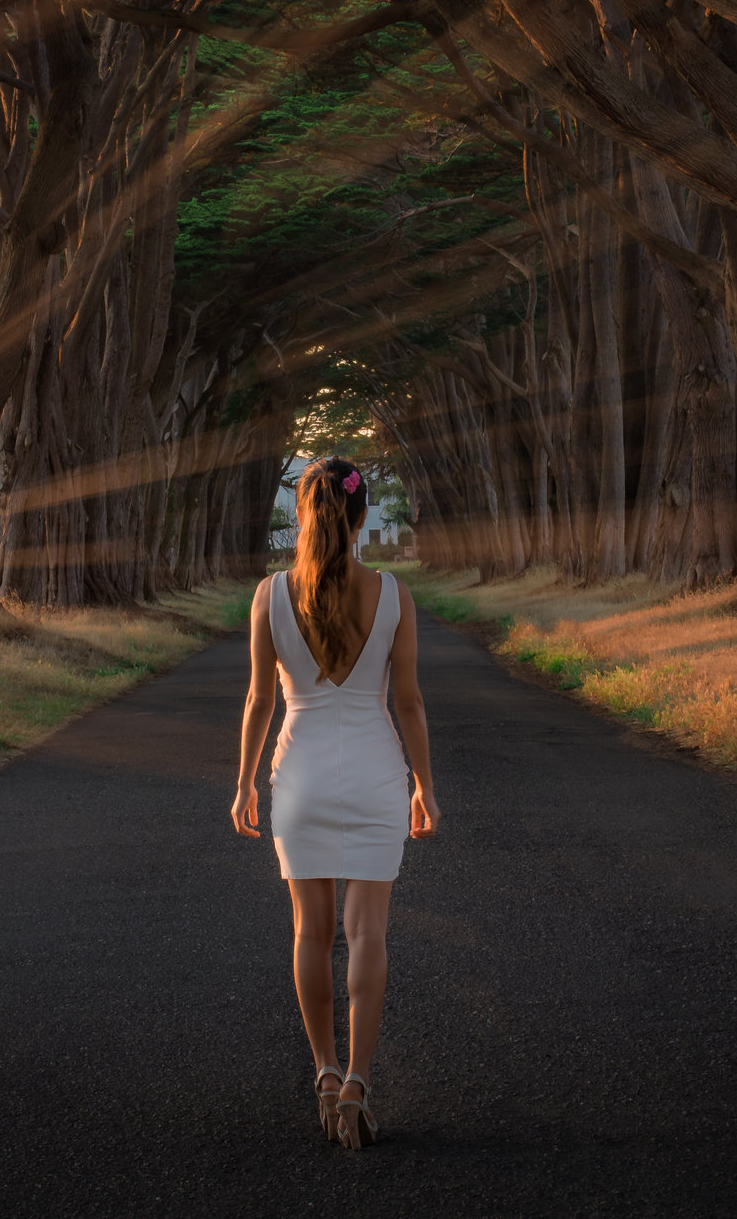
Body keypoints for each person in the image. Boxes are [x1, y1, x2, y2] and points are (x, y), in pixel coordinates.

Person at [232, 455, 438, 1148]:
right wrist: (424, 786)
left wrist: (242, 784)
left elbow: (260, 699)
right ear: (359, 516)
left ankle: (322, 1067)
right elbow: (407, 701)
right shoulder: (394, 594)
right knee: (368, 934)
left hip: (300, 775)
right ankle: (356, 1082)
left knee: (310, 933)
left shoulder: (269, 595)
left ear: (304, 514)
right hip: (375, 772)